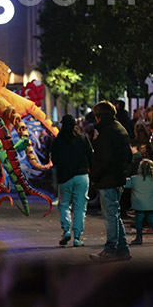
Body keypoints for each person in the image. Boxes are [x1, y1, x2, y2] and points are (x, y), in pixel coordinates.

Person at [89, 100, 133, 262]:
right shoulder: (120, 129)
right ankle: (122, 250)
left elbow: (103, 159)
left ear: (98, 116)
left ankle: (110, 250)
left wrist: (94, 175)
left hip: (108, 179)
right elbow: (128, 155)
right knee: (115, 215)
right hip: (118, 177)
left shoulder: (106, 132)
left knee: (111, 216)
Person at [49, 114, 93, 247]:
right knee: (80, 207)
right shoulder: (83, 138)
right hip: (82, 176)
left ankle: (66, 231)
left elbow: (54, 160)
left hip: (65, 177)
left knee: (64, 205)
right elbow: (90, 155)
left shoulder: (58, 141)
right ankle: (77, 237)